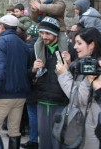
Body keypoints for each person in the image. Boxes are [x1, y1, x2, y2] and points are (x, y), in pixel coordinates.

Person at [55, 27, 101, 149]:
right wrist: (70, 66)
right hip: (89, 124)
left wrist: (63, 75)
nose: (75, 47)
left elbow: (78, 99)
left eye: (79, 43)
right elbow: (81, 88)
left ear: (91, 45)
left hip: (92, 129)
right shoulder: (90, 63)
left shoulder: (97, 68)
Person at [31, 16, 77, 149]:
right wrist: (34, 69)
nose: (43, 36)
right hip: (42, 100)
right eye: (41, 33)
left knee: (59, 140)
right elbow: (29, 75)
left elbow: (77, 78)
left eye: (47, 33)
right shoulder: (37, 49)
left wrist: (69, 64)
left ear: (56, 34)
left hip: (60, 102)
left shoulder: (67, 50)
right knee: (44, 140)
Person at [0, 15, 30, 149]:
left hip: (2, 94)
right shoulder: (23, 45)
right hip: (20, 94)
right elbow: (27, 69)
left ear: (3, 27)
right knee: (14, 131)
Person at [30, 0, 68, 66]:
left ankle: (62, 64)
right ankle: (41, 65)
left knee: (62, 45)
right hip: (45, 29)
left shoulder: (59, 3)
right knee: (37, 45)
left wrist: (40, 6)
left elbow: (56, 9)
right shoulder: (42, 4)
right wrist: (34, 10)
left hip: (59, 29)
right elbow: (35, 19)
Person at [21, 24, 39, 149]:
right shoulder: (43, 49)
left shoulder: (27, 49)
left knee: (33, 113)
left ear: (29, 36)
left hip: (32, 87)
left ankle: (33, 140)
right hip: (43, 87)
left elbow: (25, 71)